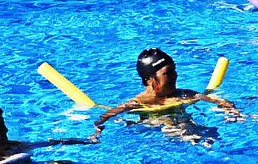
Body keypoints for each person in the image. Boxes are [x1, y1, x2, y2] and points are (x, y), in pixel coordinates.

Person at [93, 48, 238, 132]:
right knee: (173, 125)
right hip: (158, 130)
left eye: (174, 70)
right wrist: (97, 130)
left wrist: (230, 111)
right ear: (149, 79)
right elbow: (105, 117)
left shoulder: (183, 94)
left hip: (185, 126)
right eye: (168, 73)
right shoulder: (139, 102)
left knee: (210, 133)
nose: (175, 75)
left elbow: (216, 100)